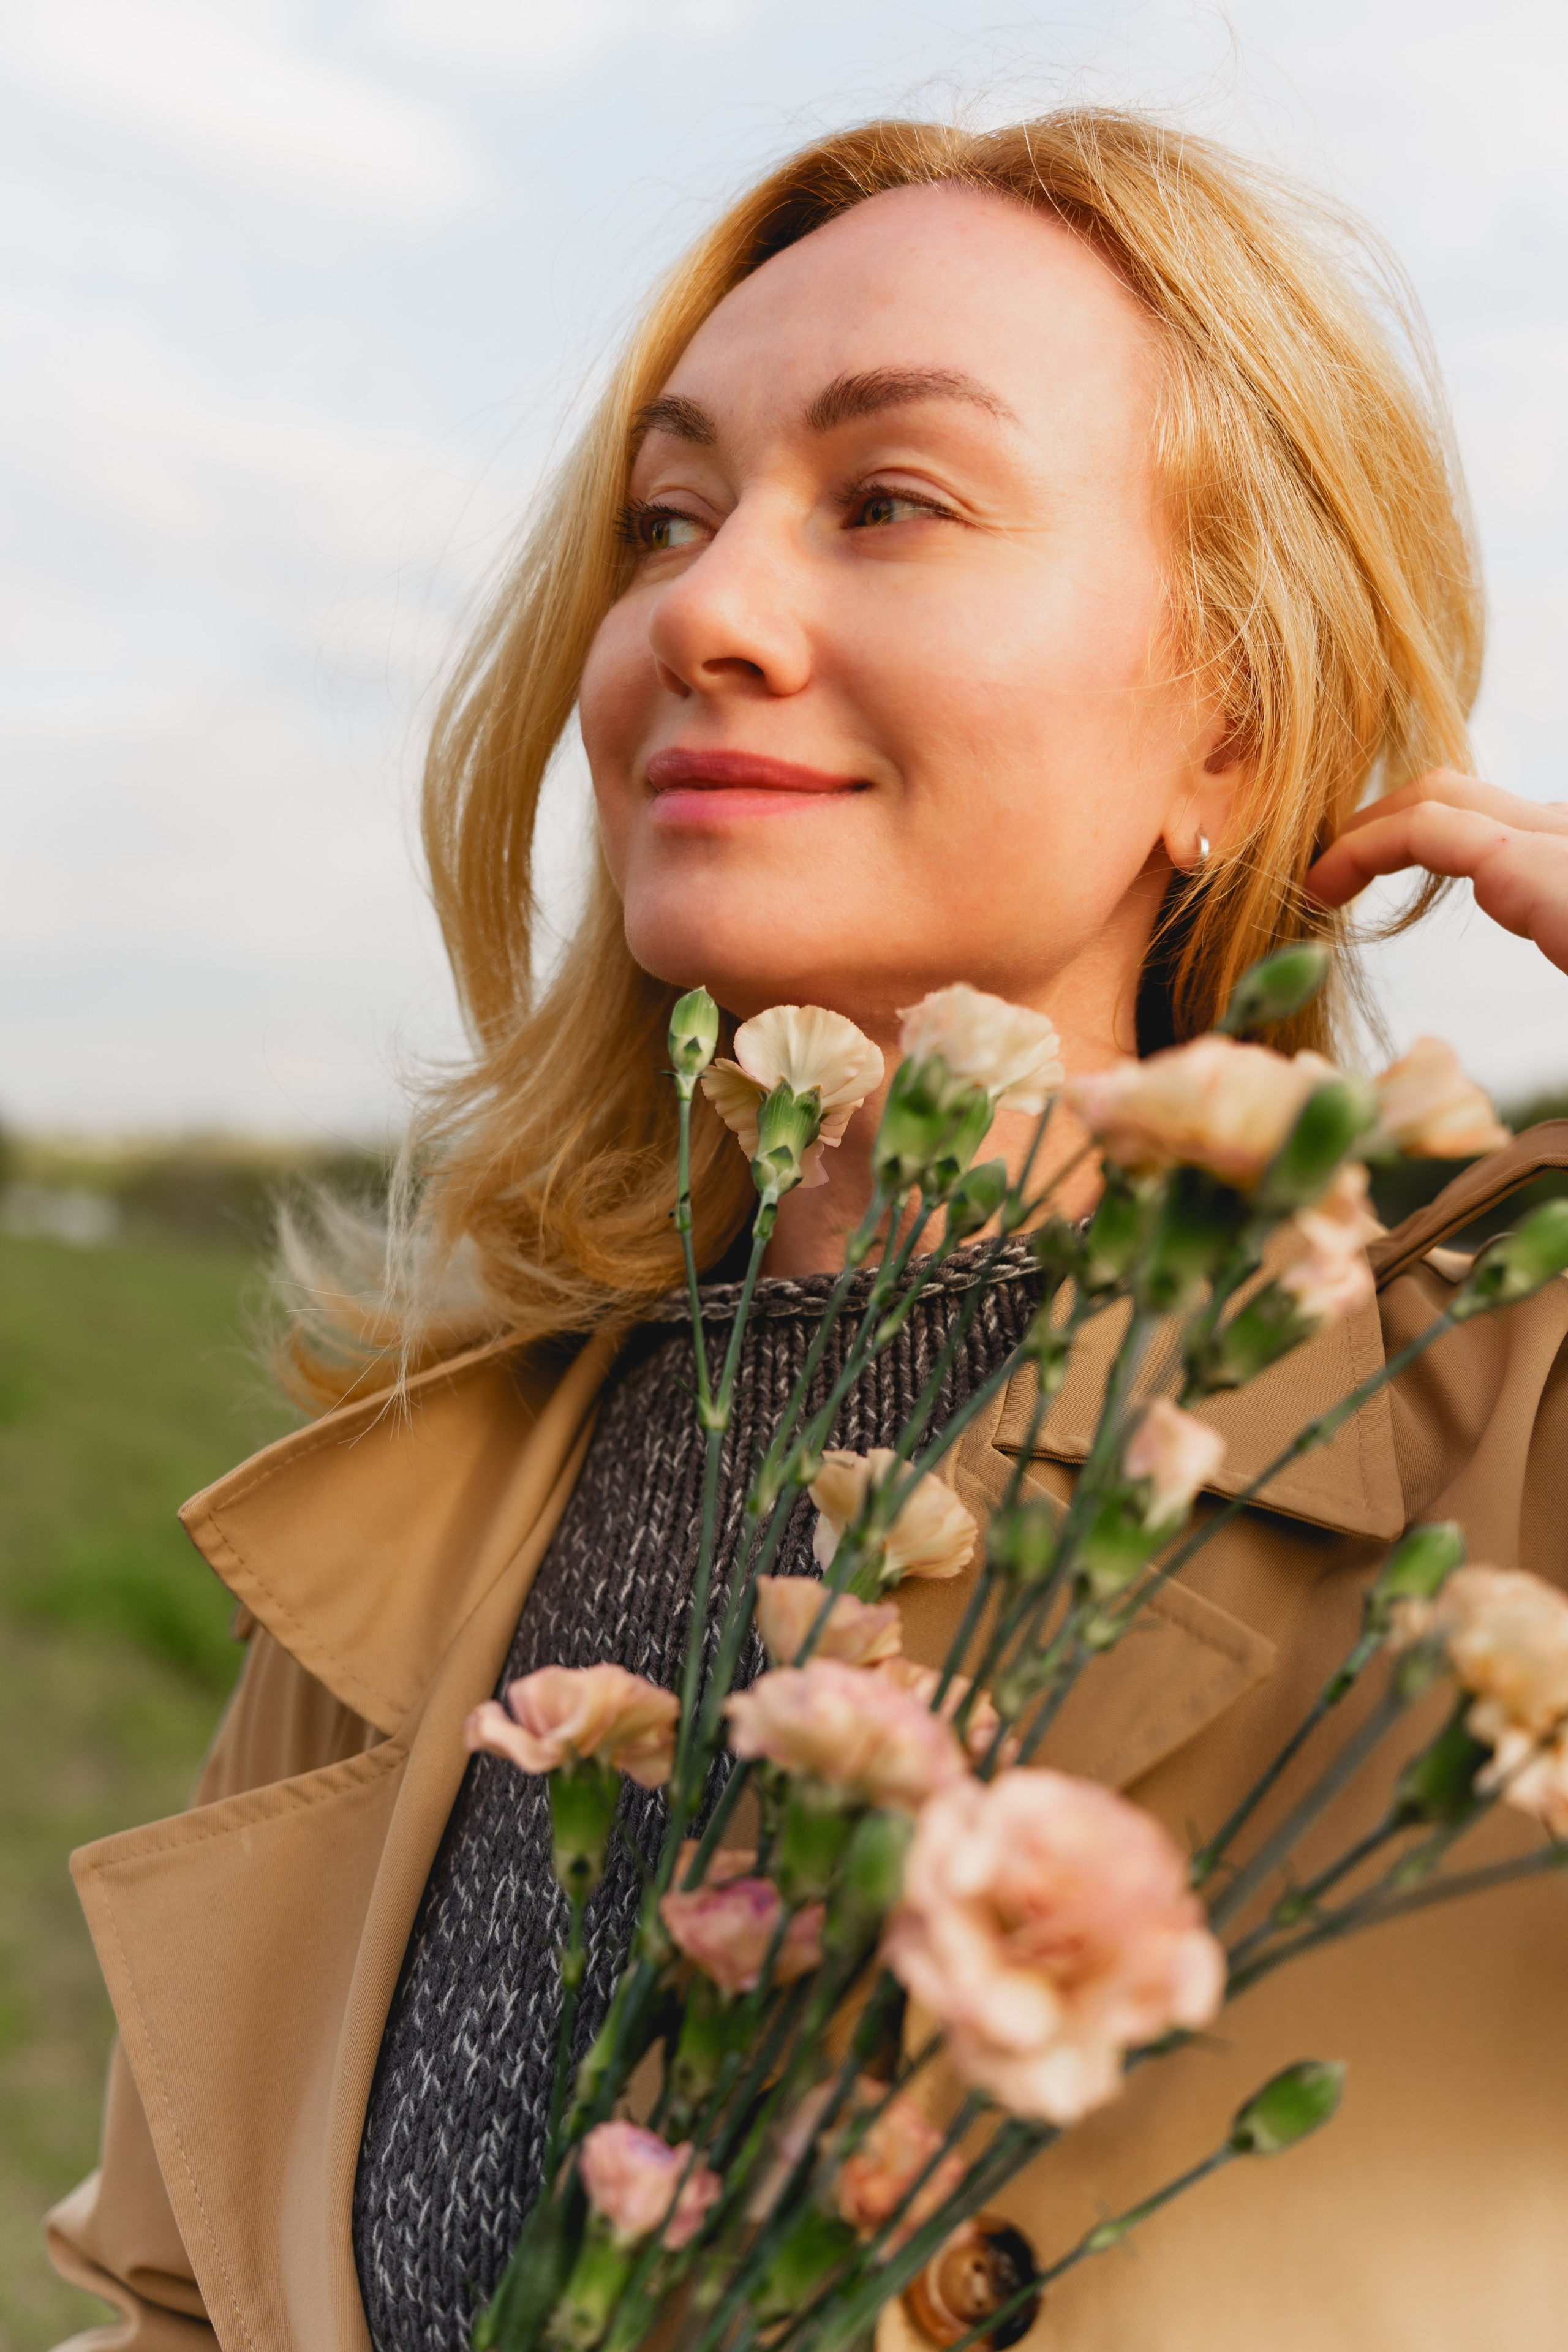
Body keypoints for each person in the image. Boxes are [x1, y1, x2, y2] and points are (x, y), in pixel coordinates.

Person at [45, 111, 1568, 2352]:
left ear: (1232, 726)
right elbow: (184, 2306)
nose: (705, 613)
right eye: (666, 520)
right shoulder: (449, 1486)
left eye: (894, 502)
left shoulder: (1503, 1436)